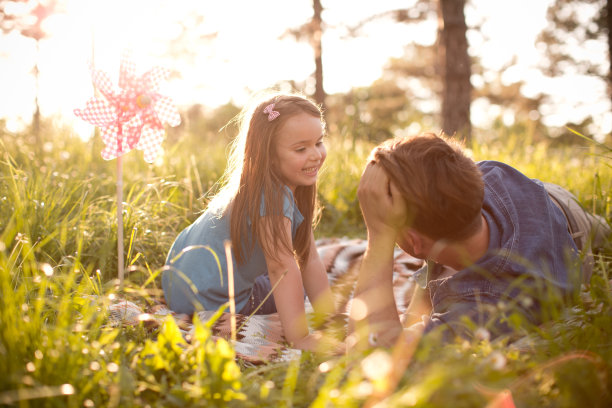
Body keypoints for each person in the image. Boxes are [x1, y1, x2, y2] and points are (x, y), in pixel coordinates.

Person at [350, 132, 610, 347]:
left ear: (414, 242)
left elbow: (371, 353)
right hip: (553, 200)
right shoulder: (476, 179)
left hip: (575, 229)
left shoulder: (487, 307)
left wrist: (379, 236)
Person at [162, 92, 335, 351]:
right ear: (269, 154)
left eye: (318, 143)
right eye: (301, 148)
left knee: (284, 271)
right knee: (293, 288)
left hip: (179, 287)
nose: (315, 155)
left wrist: (330, 321)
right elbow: (283, 266)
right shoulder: (274, 195)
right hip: (214, 302)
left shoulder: (251, 188)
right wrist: (302, 337)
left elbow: (307, 254)